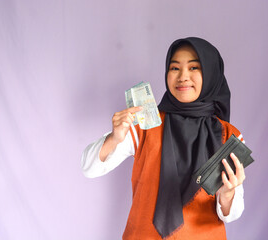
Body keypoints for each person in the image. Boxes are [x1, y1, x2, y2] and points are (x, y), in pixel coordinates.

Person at [81, 37, 246, 240]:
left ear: (211, 73)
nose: (183, 76)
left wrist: (229, 194)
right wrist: (115, 138)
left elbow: (231, 214)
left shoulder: (229, 135)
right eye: (175, 68)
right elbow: (89, 169)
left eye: (194, 68)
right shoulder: (145, 122)